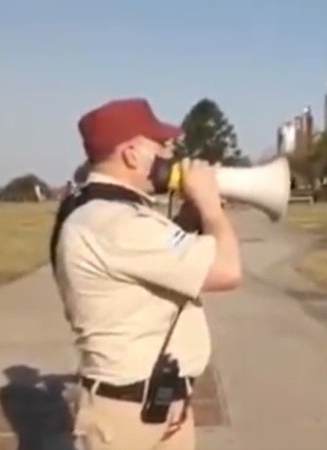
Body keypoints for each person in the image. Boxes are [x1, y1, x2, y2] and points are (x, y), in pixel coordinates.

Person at [51, 98, 241, 450]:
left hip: (153, 404)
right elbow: (227, 271)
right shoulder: (114, 222)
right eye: (161, 145)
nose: (170, 153)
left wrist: (190, 219)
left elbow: (153, 261)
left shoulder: (106, 212)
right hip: (132, 420)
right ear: (132, 154)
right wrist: (212, 209)